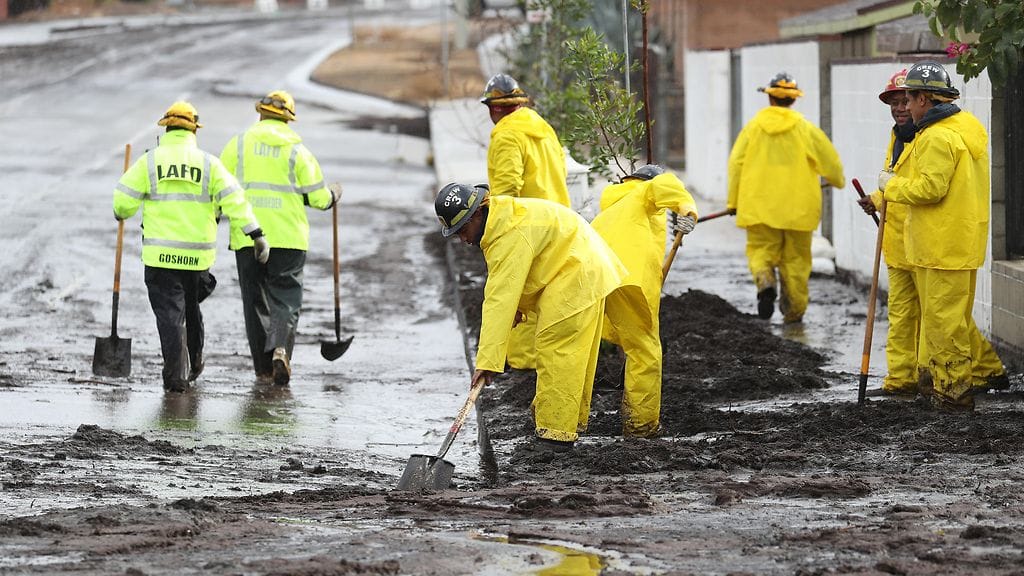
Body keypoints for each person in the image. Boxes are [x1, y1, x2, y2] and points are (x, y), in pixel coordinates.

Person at [434, 183, 637, 453]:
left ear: (476, 215)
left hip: (576, 274)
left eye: (462, 231)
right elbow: (522, 270)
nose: (462, 239)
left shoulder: (507, 232)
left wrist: (487, 361)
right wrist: (519, 303)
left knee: (557, 351)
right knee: (566, 355)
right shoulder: (502, 220)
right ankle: (561, 424)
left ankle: (555, 437)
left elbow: (498, 298)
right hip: (578, 268)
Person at [872, 61, 1006, 411]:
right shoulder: (964, 128)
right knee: (947, 319)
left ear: (923, 99)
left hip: (940, 243)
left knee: (944, 324)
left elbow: (930, 189)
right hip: (955, 241)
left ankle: (953, 391)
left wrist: (891, 186)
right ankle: (945, 383)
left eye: (910, 99)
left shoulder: (936, 136)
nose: (906, 106)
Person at [114, 101, 269, 393]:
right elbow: (235, 200)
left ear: (166, 127)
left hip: (160, 256)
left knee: (170, 314)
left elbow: (122, 202)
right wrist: (256, 234)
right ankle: (194, 357)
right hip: (197, 258)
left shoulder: (150, 161)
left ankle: (176, 376)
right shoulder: (209, 163)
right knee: (189, 304)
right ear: (194, 130)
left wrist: (121, 211)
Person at [219, 90, 339, 386]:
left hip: (248, 235)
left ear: (260, 114)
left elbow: (219, 185)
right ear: (288, 119)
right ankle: (281, 349)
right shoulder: (298, 151)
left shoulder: (238, 144)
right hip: (288, 236)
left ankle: (262, 368)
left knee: (254, 300)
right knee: (285, 297)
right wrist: (334, 195)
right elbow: (318, 198)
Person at [727, 72, 845, 323]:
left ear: (770, 98)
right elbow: (830, 161)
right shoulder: (805, 128)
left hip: (758, 205)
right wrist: (837, 181)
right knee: (797, 261)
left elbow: (736, 163)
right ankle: (793, 312)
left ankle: (765, 278)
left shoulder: (753, 128)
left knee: (761, 250)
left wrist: (733, 202)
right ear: (793, 100)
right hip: (798, 208)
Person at [590, 165, 698, 437]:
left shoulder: (614, 203)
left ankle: (561, 422)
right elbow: (665, 185)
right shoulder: (645, 191)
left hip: (594, 274)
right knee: (644, 351)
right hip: (628, 279)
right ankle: (641, 425)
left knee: (580, 351)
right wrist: (687, 209)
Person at [480, 73, 570, 370]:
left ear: (495, 108)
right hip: (557, 221)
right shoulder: (542, 128)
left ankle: (522, 364)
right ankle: (539, 361)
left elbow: (506, 188)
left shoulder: (507, 134)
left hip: (526, 226)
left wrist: (498, 229)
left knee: (519, 291)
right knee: (546, 295)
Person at [857, 69, 921, 396]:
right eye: (894, 102)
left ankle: (981, 370)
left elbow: (921, 189)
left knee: (936, 319)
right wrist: (876, 199)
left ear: (919, 101)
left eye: (904, 101)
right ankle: (900, 379)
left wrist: (885, 194)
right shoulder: (896, 137)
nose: (899, 108)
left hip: (924, 244)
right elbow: (892, 183)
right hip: (897, 242)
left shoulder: (926, 138)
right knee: (901, 316)